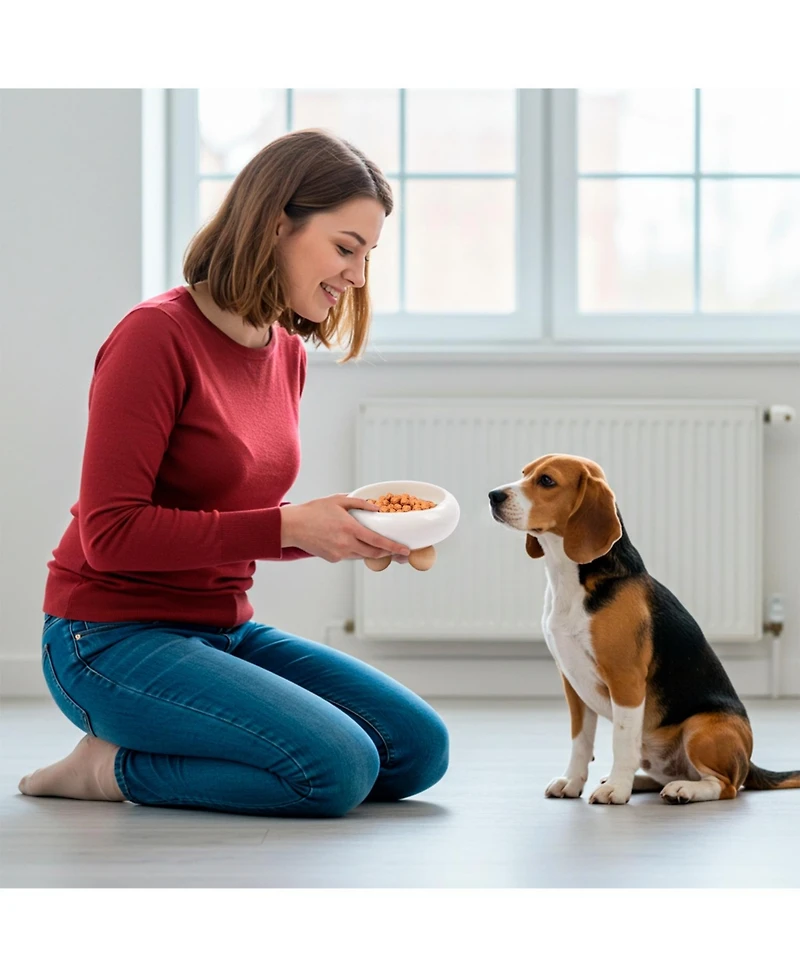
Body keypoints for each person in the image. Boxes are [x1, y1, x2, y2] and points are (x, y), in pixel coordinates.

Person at [18, 129, 449, 817]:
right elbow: (110, 534)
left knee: (418, 750)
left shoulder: (286, 352)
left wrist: (333, 532)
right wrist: (289, 527)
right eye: (346, 248)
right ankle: (107, 769)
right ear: (277, 224)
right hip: (105, 638)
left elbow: (230, 517)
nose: (358, 277)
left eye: (367, 255)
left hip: (222, 630)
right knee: (337, 769)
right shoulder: (155, 337)